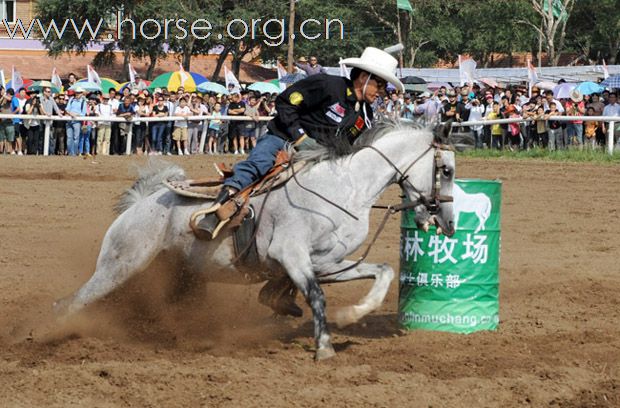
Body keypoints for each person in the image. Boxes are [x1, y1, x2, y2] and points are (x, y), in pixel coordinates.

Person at [198, 47, 403, 238]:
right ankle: (214, 213)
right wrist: (301, 137)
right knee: (258, 165)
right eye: (381, 84)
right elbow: (285, 102)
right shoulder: (327, 85)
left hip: (318, 160)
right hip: (282, 140)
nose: (382, 91)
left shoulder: (365, 115)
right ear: (364, 77)